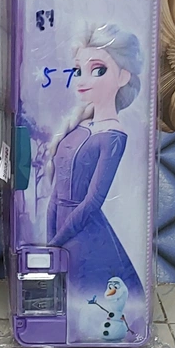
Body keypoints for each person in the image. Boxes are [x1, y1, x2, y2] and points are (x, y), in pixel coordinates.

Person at [46, 23, 145, 301]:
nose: (82, 79)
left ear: (123, 76)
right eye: (78, 70)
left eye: (98, 70)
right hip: (61, 228)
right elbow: (56, 189)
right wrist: (50, 233)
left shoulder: (113, 136)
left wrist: (56, 240)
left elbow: (93, 200)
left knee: (91, 300)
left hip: (85, 237)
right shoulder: (79, 125)